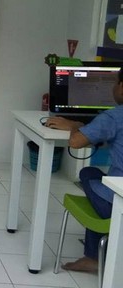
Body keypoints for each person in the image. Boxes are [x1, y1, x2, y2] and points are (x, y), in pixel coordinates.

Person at [46, 66, 123, 273]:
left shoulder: (114, 117)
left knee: (87, 174)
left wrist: (74, 125)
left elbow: (76, 142)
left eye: (114, 82)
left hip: (120, 200)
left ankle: (93, 257)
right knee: (95, 175)